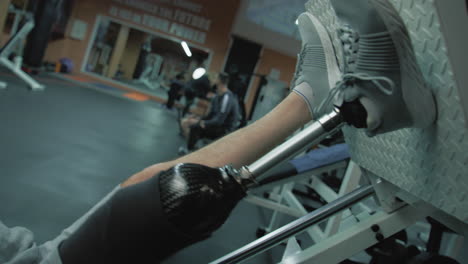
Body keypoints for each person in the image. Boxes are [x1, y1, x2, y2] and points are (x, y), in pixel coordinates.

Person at [2, 0, 435, 262]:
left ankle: (310, 99)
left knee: (144, 188)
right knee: (164, 195)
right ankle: (306, 100)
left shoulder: (224, 97)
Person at [178, 72, 240, 154]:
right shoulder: (217, 95)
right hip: (216, 124)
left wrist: (203, 123)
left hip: (224, 129)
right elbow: (210, 114)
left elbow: (220, 120)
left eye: (215, 78)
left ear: (219, 81)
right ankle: (194, 149)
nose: (213, 80)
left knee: (195, 127)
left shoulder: (226, 97)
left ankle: (190, 151)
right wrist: (198, 119)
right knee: (188, 123)